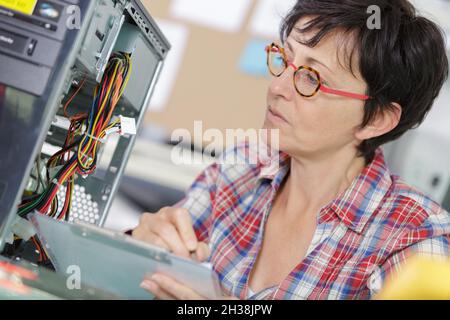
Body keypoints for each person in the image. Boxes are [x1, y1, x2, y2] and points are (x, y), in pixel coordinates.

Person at [132, 0, 450, 299]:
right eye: (284, 59)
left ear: (377, 119)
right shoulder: (241, 167)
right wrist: (140, 247)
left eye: (311, 78)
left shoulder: (416, 237)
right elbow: (147, 270)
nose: (277, 88)